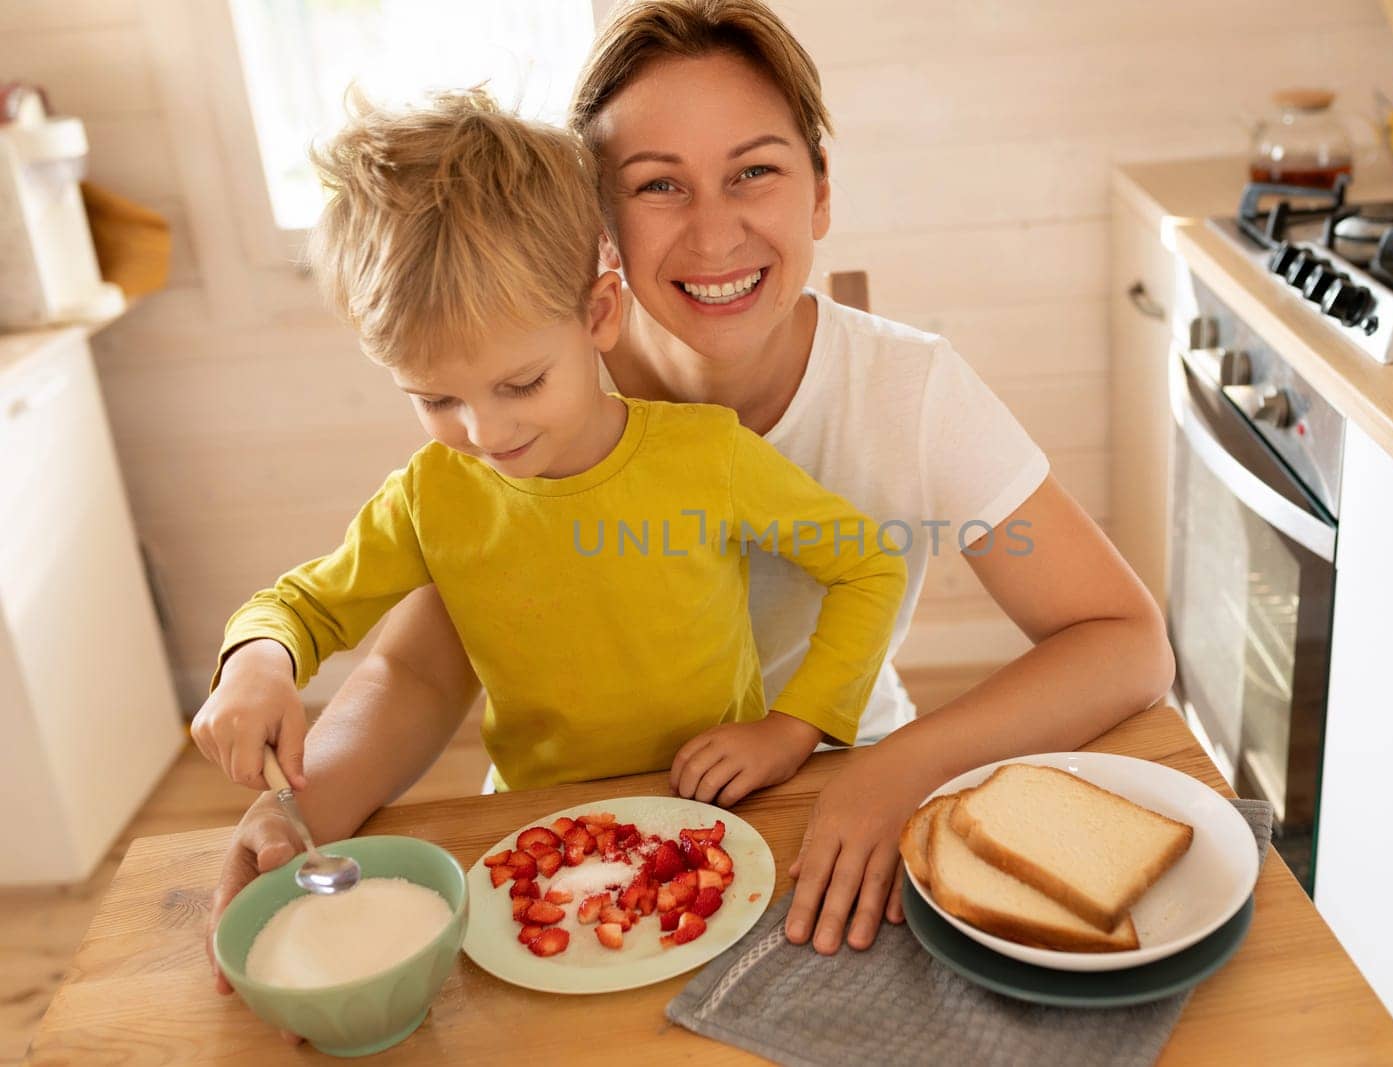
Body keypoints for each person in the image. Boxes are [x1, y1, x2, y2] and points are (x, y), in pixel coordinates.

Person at [208, 0, 1173, 991]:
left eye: (753, 170)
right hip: (573, 830)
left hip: (832, 798)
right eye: (657, 184)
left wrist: (895, 765)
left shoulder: (910, 390)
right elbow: (415, 676)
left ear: (819, 194)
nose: (714, 232)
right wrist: (297, 813)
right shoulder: (522, 389)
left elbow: (1124, 640)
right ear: (598, 232)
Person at [191, 89, 906, 854]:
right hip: (540, 832)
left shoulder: (708, 455)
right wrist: (257, 659)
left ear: (600, 313)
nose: (482, 430)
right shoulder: (432, 495)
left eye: (520, 383)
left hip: (719, 817)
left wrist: (791, 731)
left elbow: (868, 567)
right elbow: (305, 606)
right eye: (435, 397)